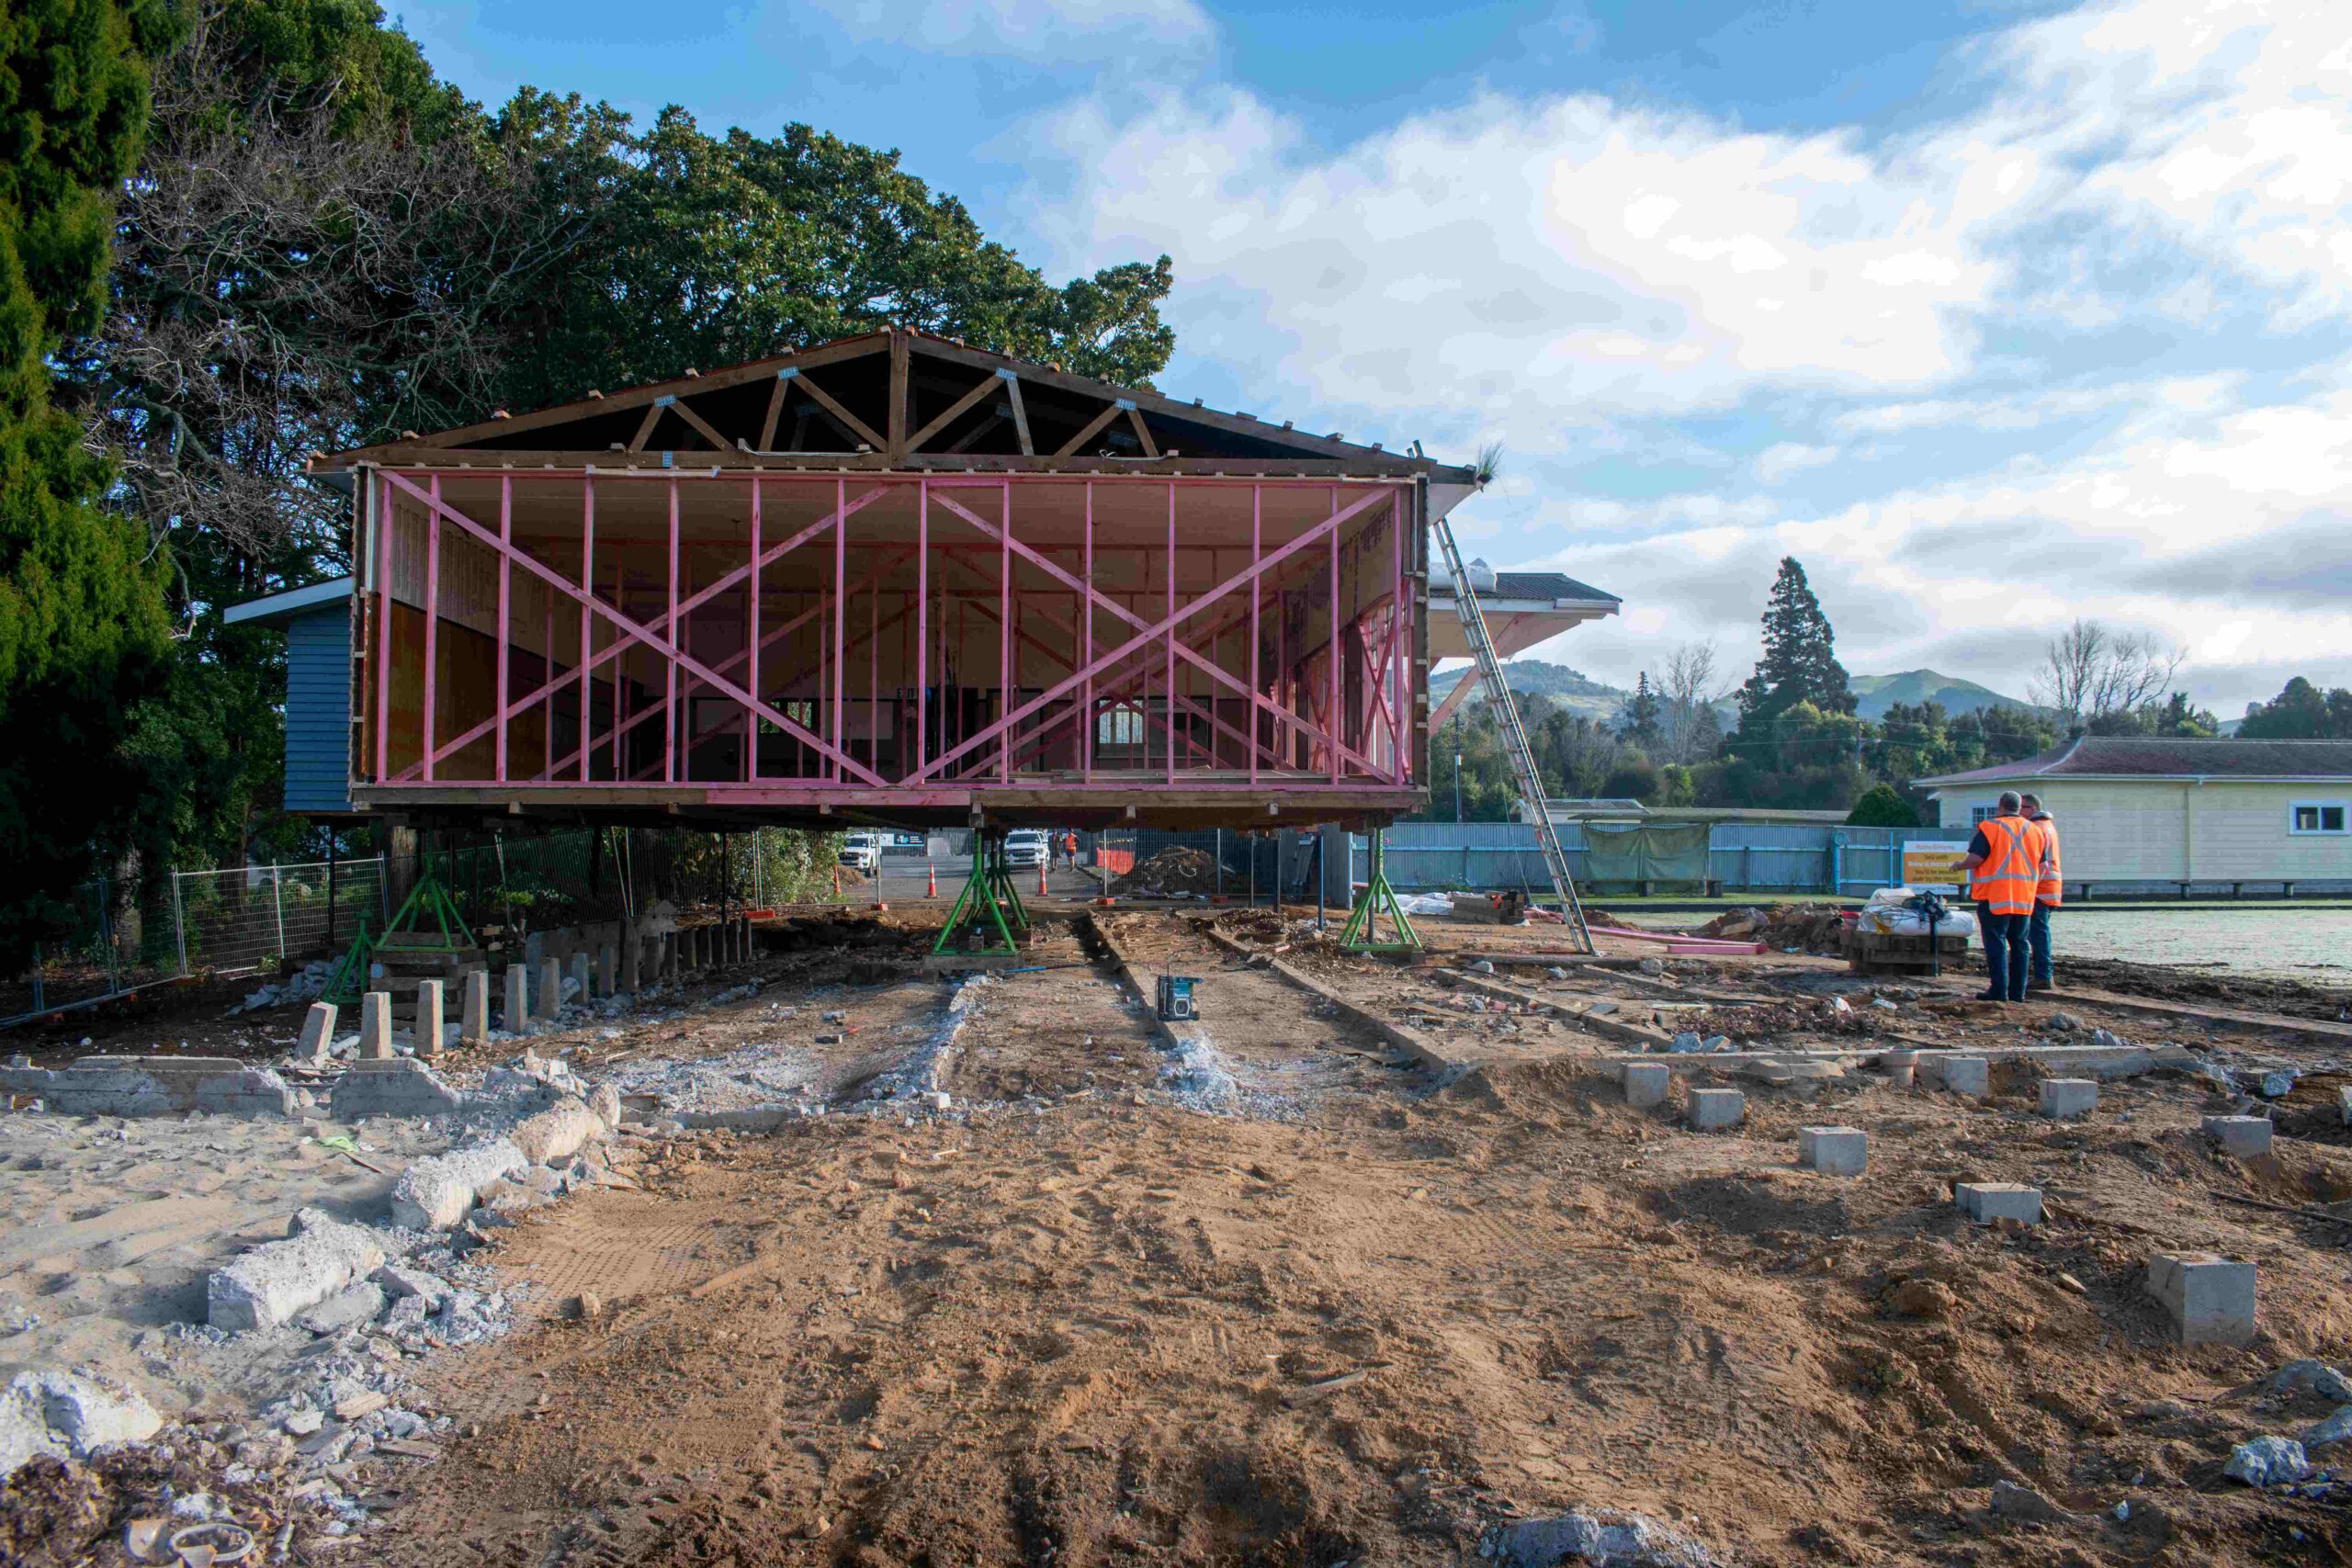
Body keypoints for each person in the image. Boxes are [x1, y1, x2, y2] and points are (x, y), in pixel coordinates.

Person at [1957, 790, 2039, 1002]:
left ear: (2000, 806)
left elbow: (1975, 859)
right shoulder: (2035, 830)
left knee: (1996, 943)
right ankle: (2018, 993)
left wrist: (1959, 865)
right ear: (2019, 808)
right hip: (2024, 898)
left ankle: (1999, 991)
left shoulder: (1991, 827)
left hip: (1995, 897)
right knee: (2020, 944)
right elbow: (2043, 864)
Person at [2021, 791, 2060, 993]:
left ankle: (2043, 976)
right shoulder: (2048, 826)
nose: (2018, 812)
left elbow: (2036, 862)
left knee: (2038, 933)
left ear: (2032, 809)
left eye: (2022, 808)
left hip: (2039, 889)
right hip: (2048, 888)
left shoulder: (2036, 829)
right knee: (2039, 932)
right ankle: (2044, 974)